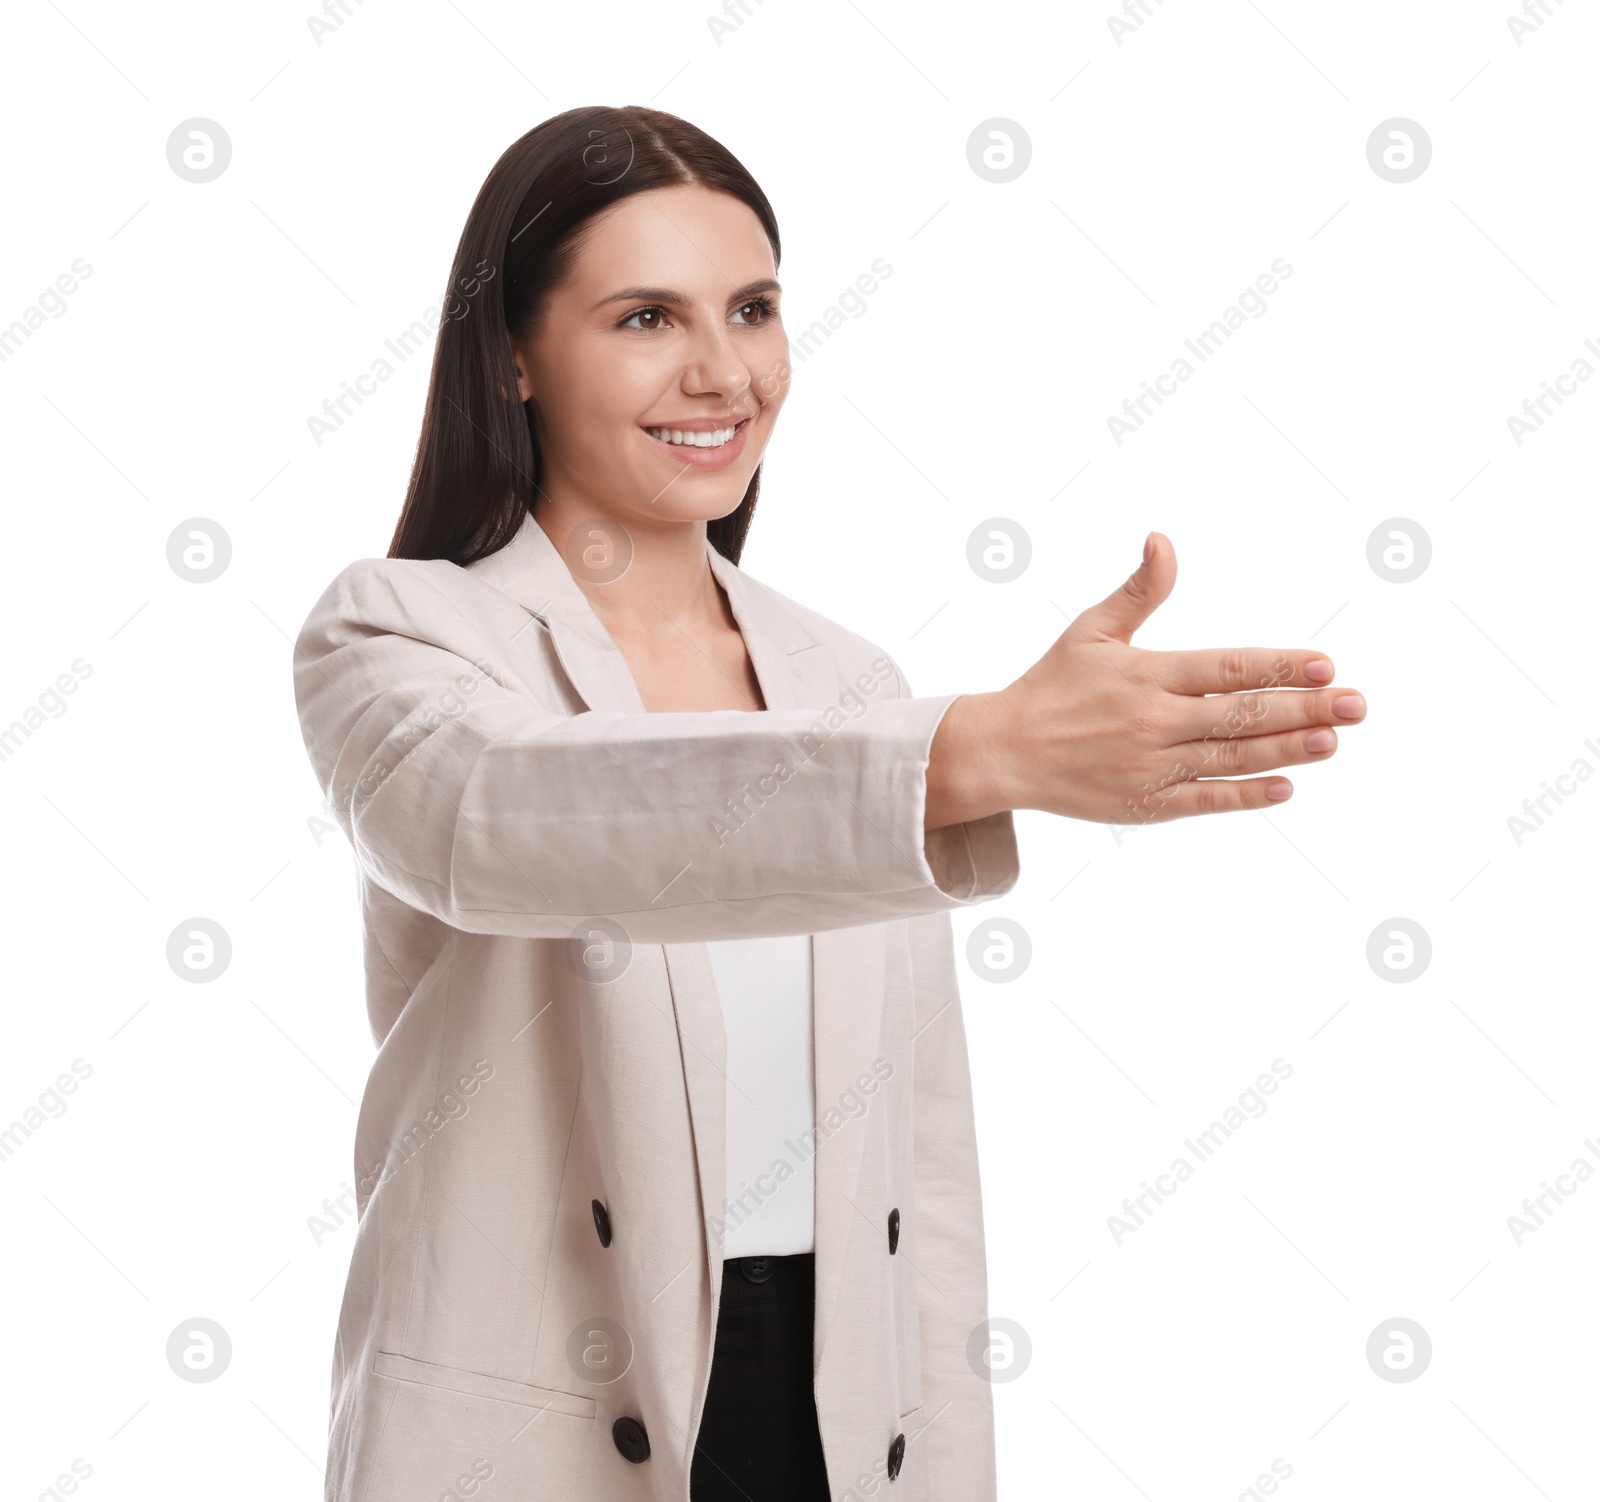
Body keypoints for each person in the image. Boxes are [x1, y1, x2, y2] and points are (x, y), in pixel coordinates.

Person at [292, 104, 1367, 1502]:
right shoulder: (400, 633)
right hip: (530, 1433)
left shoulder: (850, 680)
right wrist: (974, 758)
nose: (722, 372)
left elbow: (924, 1166)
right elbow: (504, 819)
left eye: (751, 309)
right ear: (512, 353)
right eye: (644, 318)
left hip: (831, 1423)